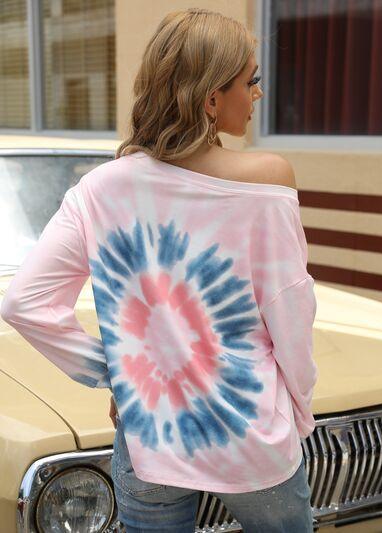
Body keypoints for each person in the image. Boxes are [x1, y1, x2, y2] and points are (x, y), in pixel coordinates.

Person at [0, 7, 318, 533]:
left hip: (149, 435)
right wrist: (298, 410)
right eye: (251, 81)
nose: (257, 95)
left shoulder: (100, 189)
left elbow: (22, 303)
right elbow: (290, 312)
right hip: (251, 436)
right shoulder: (266, 181)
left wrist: (119, 376)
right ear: (211, 98)